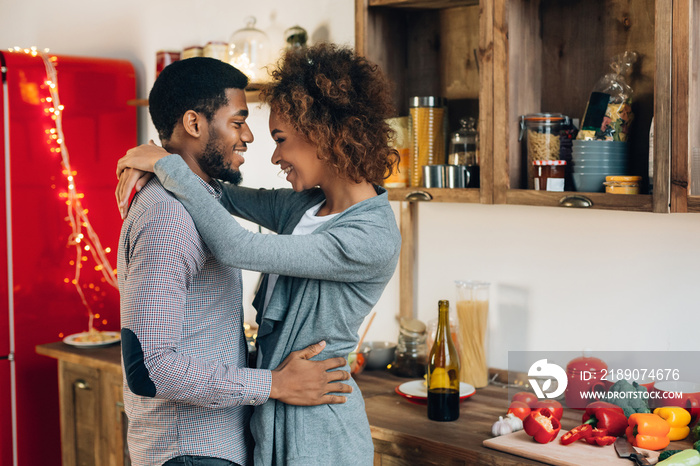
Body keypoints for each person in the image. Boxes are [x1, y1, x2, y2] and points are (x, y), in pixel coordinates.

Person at [116, 43, 401, 465]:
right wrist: (153, 163)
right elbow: (220, 194)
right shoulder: (303, 207)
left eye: (280, 140)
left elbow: (237, 244)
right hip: (267, 418)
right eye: (242, 124)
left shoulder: (371, 235)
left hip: (319, 428)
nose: (271, 154)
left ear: (323, 133)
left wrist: (167, 165)